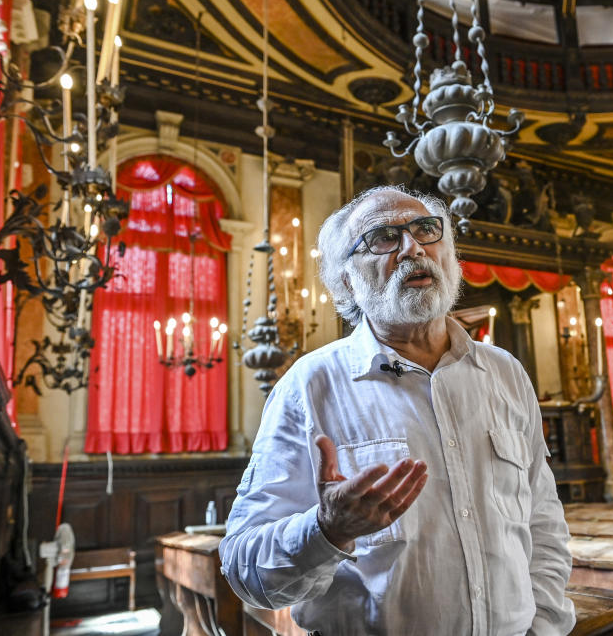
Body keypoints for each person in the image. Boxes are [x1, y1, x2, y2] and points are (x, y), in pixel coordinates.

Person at [220, 186, 575, 635]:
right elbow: (244, 570)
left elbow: (542, 525)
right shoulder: (310, 387)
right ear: (347, 280)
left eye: (427, 230)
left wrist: (542, 627)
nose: (413, 247)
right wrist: (326, 530)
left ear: (450, 254)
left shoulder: (504, 374)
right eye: (384, 237)